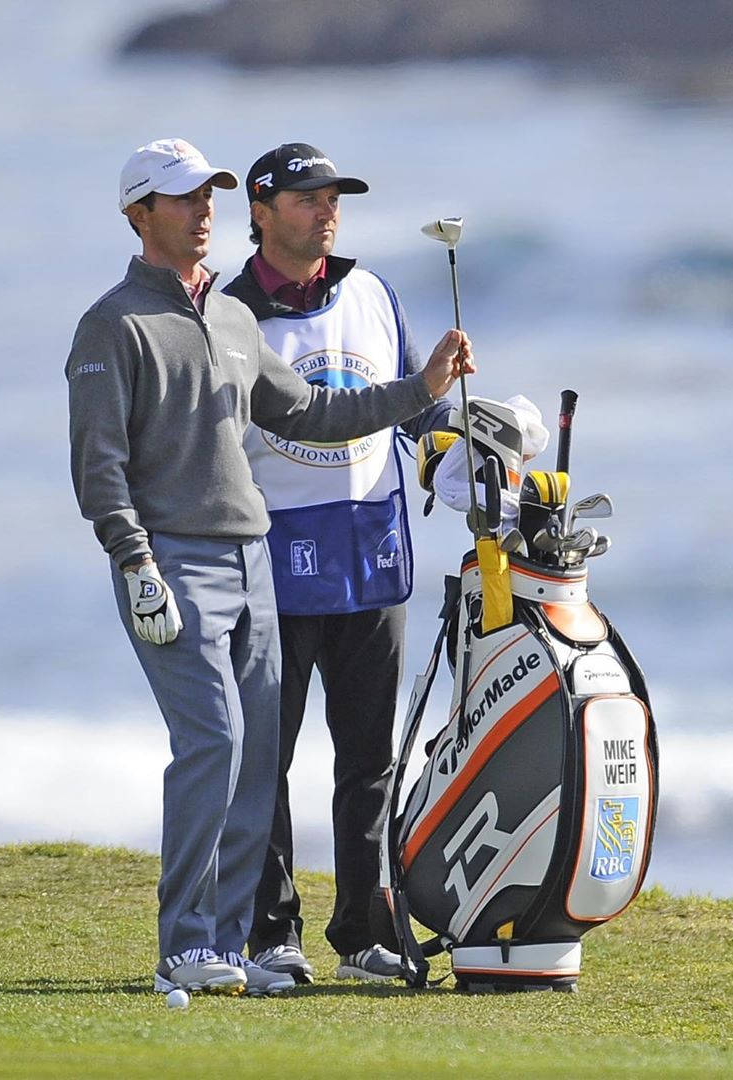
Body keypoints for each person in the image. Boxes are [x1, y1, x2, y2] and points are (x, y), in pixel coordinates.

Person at [65, 138, 472, 998]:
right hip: (175, 558)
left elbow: (315, 413)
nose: (201, 211)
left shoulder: (231, 317)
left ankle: (234, 943)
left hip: (253, 556)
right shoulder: (111, 324)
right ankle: (187, 943)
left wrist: (422, 388)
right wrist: (131, 556)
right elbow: (100, 464)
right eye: (183, 200)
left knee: (253, 755)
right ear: (139, 215)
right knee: (212, 740)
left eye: (207, 195)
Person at [223, 142, 453, 983]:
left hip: (373, 557)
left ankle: (362, 932)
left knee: (371, 762)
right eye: (308, 199)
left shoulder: (371, 292)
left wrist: (465, 454)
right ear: (261, 208)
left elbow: (416, 411)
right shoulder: (227, 310)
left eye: (334, 199)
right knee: (264, 763)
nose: (327, 212)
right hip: (269, 564)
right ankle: (270, 936)